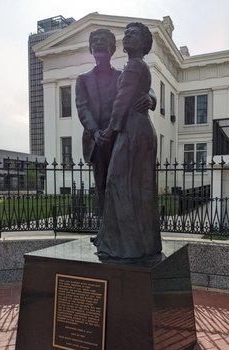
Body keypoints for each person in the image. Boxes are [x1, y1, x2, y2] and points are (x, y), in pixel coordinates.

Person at [94, 22, 162, 259]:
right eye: (126, 34)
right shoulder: (133, 67)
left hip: (129, 131)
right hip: (133, 131)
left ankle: (126, 245)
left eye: (132, 34)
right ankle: (136, 243)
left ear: (143, 43)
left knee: (120, 185)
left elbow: (124, 100)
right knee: (133, 188)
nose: (126, 37)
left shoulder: (133, 66)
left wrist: (110, 132)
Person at [75, 29, 156, 215]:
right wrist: (96, 132)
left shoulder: (123, 73)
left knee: (122, 186)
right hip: (97, 141)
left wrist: (151, 99)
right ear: (90, 48)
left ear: (112, 48)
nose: (98, 42)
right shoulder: (83, 80)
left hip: (121, 137)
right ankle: (104, 232)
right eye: (94, 40)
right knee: (102, 187)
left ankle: (120, 233)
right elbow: (83, 109)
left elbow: (144, 86)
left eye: (103, 40)